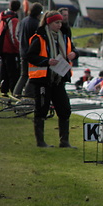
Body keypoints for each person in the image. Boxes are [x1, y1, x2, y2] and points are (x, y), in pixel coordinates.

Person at [27, 10, 78, 148]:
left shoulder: (64, 37)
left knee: (65, 109)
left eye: (61, 22)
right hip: (43, 79)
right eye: (57, 22)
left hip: (59, 79)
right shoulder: (39, 38)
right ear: (49, 23)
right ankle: (40, 142)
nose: (59, 25)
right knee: (41, 109)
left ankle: (64, 141)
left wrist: (74, 54)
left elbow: (73, 50)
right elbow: (29, 56)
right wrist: (47, 61)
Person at [14, 2, 42, 98]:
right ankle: (28, 94)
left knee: (23, 75)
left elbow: (17, 34)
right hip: (31, 53)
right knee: (32, 75)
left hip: (22, 50)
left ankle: (16, 93)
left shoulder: (23, 21)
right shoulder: (36, 23)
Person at [0, 0, 21, 96]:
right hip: (10, 49)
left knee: (4, 71)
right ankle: (14, 91)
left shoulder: (3, 18)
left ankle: (4, 89)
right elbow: (14, 36)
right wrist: (18, 48)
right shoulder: (13, 19)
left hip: (3, 48)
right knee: (13, 72)